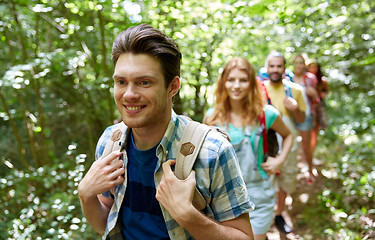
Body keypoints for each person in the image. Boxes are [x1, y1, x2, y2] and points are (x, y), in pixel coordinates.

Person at [77, 24, 254, 240]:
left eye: (144, 82)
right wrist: (86, 195)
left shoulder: (212, 152)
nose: (129, 94)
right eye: (121, 82)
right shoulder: (109, 142)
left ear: (173, 87)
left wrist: (188, 216)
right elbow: (106, 223)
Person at [204, 57, 293, 240]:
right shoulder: (211, 117)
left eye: (243, 80)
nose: (236, 86)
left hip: (258, 196)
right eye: (231, 80)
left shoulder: (266, 114)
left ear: (251, 83)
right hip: (222, 198)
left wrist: (279, 160)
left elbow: (289, 135)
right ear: (223, 83)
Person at [263, 51, 306, 235]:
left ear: (284, 68)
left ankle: (279, 213)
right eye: (272, 66)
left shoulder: (295, 90)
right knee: (266, 175)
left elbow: (302, 119)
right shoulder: (259, 89)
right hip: (266, 141)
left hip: (289, 139)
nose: (275, 70)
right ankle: (264, 217)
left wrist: (295, 109)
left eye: (279, 66)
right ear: (266, 68)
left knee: (286, 177)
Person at [292, 54, 320, 183]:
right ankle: (292, 172)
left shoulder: (310, 78)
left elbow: (317, 100)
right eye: (296, 62)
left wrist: (313, 95)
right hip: (290, 117)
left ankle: (310, 169)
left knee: (306, 145)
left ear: (304, 64)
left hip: (306, 116)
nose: (298, 65)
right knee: (290, 145)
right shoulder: (287, 77)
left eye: (301, 62)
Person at [307, 60, 329, 152]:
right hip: (308, 107)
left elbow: (326, 91)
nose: (313, 69)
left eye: (315, 66)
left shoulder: (322, 80)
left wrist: (319, 94)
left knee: (314, 131)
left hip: (318, 107)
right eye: (311, 66)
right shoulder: (305, 79)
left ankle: (312, 152)